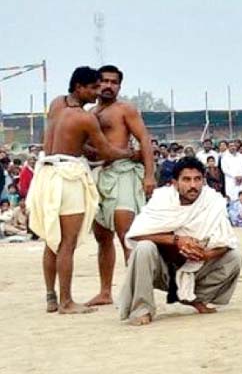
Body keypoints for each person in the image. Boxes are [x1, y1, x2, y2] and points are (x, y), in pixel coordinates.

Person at [29, 67, 136, 315]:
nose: (97, 92)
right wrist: (131, 154)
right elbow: (106, 151)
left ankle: (51, 297)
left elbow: (74, 142)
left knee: (51, 240)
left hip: (46, 173)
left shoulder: (56, 104)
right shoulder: (85, 117)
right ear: (79, 87)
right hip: (67, 175)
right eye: (93, 87)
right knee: (67, 241)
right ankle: (66, 301)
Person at [118, 157, 242, 325]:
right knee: (144, 248)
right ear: (175, 182)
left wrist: (205, 254)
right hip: (162, 269)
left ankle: (196, 298)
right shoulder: (161, 200)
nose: (193, 185)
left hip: (195, 266)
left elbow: (226, 241)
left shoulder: (212, 202)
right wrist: (176, 240)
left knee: (234, 257)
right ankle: (142, 308)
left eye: (197, 179)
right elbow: (135, 234)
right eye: (187, 179)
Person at [87, 65, 156, 307]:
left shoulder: (125, 109)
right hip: (99, 175)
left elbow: (144, 139)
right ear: (96, 83)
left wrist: (149, 175)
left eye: (113, 82)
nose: (108, 85)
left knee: (126, 236)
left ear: (119, 86)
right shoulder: (91, 113)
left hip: (124, 175)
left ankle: (137, 294)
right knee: (102, 237)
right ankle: (105, 292)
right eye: (104, 81)